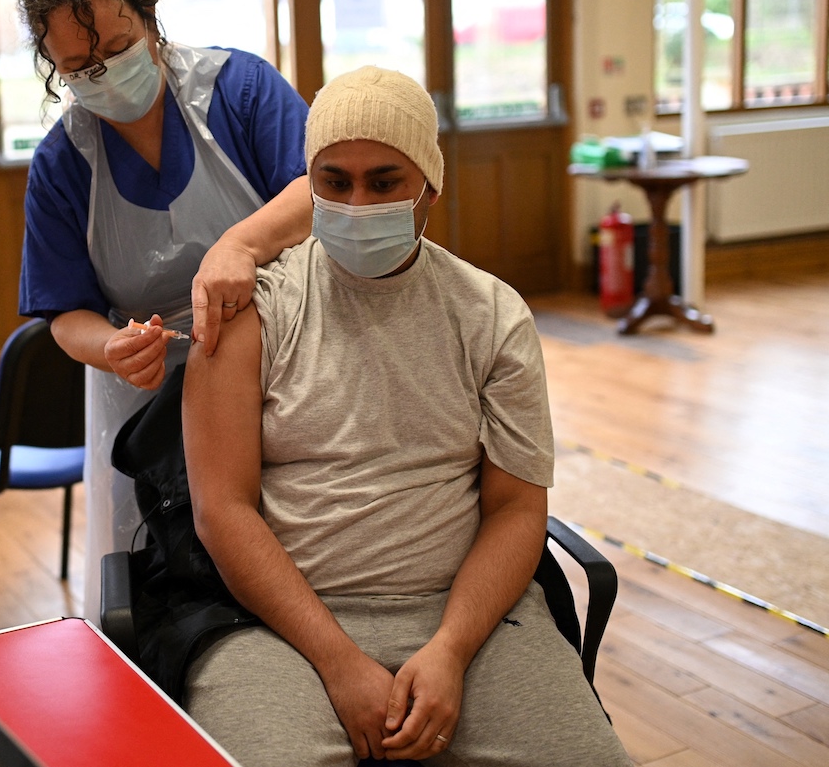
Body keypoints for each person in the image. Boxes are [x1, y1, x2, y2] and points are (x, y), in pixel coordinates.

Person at [181, 66, 632, 767]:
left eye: (384, 182)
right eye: (334, 181)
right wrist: (337, 659)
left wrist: (450, 648)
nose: (357, 202)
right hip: (279, 622)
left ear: (430, 187)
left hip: (466, 617)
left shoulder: (490, 315)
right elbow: (222, 510)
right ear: (309, 183)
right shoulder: (249, 313)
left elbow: (516, 508)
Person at [16, 0, 312, 619]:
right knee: (166, 590)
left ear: (148, 19)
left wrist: (241, 243)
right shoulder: (64, 163)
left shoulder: (237, 90)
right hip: (147, 397)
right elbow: (65, 314)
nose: (104, 73)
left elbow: (313, 192)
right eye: (79, 67)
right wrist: (110, 349)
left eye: (118, 48)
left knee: (292, 555)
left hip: (281, 363)